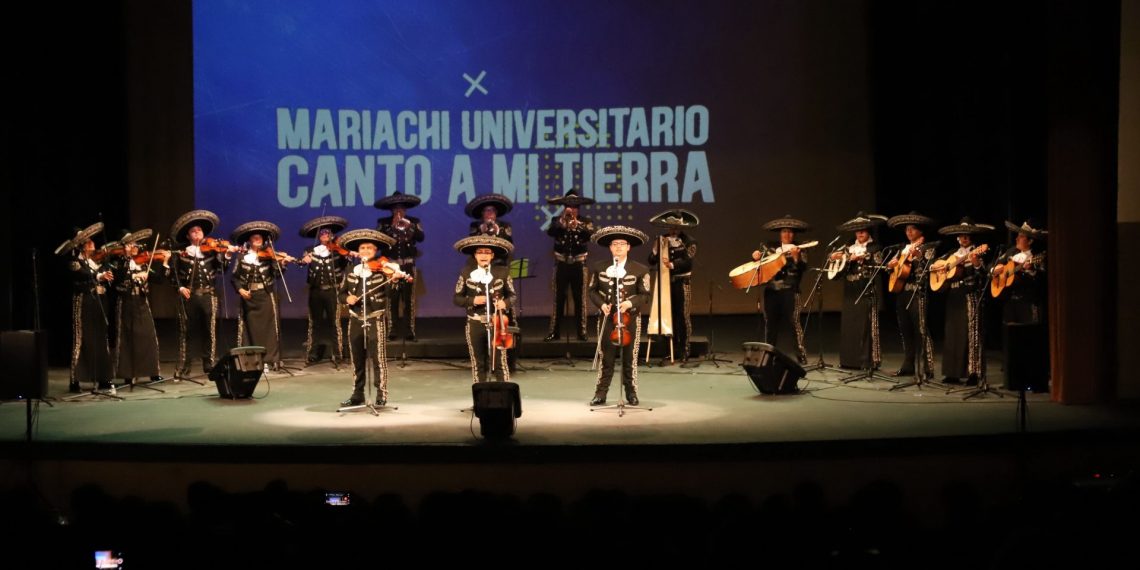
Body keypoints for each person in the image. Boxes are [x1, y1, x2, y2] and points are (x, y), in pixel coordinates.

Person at [337, 229, 403, 407]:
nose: (365, 251)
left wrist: (394, 280)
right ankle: (357, 394)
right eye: (362, 248)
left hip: (375, 319)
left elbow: (391, 294)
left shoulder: (383, 270)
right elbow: (341, 293)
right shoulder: (351, 270)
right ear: (358, 252)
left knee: (378, 359)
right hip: (355, 319)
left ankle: (381, 394)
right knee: (357, 359)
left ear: (376, 251)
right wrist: (347, 299)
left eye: (369, 248)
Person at [167, 210, 235, 378]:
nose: (197, 232)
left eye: (199, 230)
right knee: (187, 331)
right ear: (188, 236)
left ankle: (208, 362)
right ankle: (185, 364)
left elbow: (222, 269)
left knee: (209, 331)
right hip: (188, 297)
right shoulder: (181, 253)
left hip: (208, 295)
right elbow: (173, 275)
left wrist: (227, 254)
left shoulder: (211, 251)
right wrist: (180, 288)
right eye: (193, 231)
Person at [588, 226, 651, 406]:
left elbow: (645, 294)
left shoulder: (640, 269)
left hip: (630, 318)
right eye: (614, 244)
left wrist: (629, 303)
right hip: (608, 318)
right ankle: (601, 393)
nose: (618, 247)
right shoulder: (599, 267)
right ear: (610, 247)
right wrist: (602, 305)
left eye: (622, 244)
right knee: (606, 357)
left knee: (629, 357)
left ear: (628, 247)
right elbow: (592, 291)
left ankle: (631, 392)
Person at [933, 218, 994, 385]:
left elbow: (984, 275)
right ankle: (952, 373)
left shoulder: (977, 252)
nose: (964, 238)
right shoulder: (952, 253)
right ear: (957, 237)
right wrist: (937, 268)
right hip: (953, 295)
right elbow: (935, 265)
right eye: (961, 235)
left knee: (971, 334)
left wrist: (976, 265)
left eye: (967, 235)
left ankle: (974, 373)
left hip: (969, 295)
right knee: (952, 333)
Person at [56, 222, 114, 393]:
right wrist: (99, 276)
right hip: (84, 301)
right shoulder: (75, 261)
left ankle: (103, 377)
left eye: (91, 240)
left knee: (101, 338)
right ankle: (75, 380)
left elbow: (105, 273)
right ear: (81, 245)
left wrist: (107, 273)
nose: (92, 243)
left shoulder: (96, 261)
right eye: (88, 241)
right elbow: (82, 274)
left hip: (100, 300)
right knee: (82, 339)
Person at [230, 221, 294, 371]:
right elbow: (234, 278)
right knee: (250, 329)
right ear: (249, 240)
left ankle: (270, 360)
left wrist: (283, 264)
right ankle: (251, 360)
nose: (257, 239)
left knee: (269, 329)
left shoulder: (270, 255)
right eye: (254, 237)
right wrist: (240, 290)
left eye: (260, 237)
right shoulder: (241, 257)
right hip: (249, 297)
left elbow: (276, 275)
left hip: (266, 295)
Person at [453, 235, 516, 383]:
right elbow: (457, 298)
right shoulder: (466, 272)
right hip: (475, 323)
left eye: (487, 252)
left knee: (500, 363)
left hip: (497, 323)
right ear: (475, 255)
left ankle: (504, 393)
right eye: (480, 252)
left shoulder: (503, 272)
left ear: (492, 255)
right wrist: (472, 300)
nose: (483, 255)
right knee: (478, 363)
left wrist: (505, 303)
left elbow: (513, 296)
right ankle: (480, 393)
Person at [831, 213, 887, 370]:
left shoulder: (875, 246)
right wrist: (835, 256)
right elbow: (834, 257)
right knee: (850, 324)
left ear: (868, 231)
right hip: (850, 289)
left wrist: (860, 257)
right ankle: (848, 360)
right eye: (857, 230)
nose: (860, 233)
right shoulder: (849, 245)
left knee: (866, 326)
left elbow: (878, 264)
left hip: (865, 288)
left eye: (863, 230)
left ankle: (868, 361)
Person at [110, 229, 166, 386]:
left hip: (141, 301)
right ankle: (128, 374)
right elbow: (118, 278)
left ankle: (153, 372)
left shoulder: (142, 262)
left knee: (148, 336)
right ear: (123, 246)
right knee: (127, 337)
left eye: (134, 243)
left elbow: (159, 279)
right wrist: (133, 272)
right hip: (125, 302)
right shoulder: (117, 262)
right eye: (130, 244)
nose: (134, 246)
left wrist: (165, 263)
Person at [886, 212, 938, 379]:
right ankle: (908, 365)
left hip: (918, 292)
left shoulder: (927, 247)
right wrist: (891, 265)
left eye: (912, 229)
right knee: (905, 329)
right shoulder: (902, 249)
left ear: (920, 231)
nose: (908, 232)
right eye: (907, 229)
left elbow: (931, 266)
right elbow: (890, 268)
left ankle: (929, 368)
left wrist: (919, 257)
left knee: (922, 329)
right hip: (902, 292)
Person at [752, 215, 810, 363]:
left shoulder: (800, 248)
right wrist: (756, 258)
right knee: (770, 324)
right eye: (784, 231)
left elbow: (803, 268)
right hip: (772, 290)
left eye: (790, 231)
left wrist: (796, 258)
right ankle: (768, 354)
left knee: (794, 323)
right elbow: (761, 266)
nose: (787, 234)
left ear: (794, 234)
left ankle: (801, 355)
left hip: (791, 290)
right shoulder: (770, 247)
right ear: (780, 233)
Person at [646, 209, 699, 363]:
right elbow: (651, 261)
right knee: (669, 316)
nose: (673, 230)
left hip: (682, 282)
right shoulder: (662, 239)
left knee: (683, 316)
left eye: (675, 227)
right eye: (670, 227)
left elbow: (688, 261)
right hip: (666, 283)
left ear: (681, 227)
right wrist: (655, 250)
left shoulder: (689, 241)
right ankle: (671, 350)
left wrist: (673, 264)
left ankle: (685, 349)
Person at [298, 216, 352, 367]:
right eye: (321, 233)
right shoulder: (310, 250)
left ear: (332, 235)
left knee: (334, 323)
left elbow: (347, 262)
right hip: (315, 292)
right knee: (314, 323)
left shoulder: (337, 250)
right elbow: (301, 262)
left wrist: (345, 252)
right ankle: (312, 354)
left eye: (327, 233)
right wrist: (303, 260)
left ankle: (337, 354)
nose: (324, 235)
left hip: (332, 291)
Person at [544, 189, 596, 341]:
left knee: (580, 299)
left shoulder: (586, 221)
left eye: (574, 207)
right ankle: (554, 332)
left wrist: (577, 225)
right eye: (568, 207)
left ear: (578, 209)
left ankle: (582, 332)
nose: (571, 210)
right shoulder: (556, 220)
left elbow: (590, 235)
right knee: (558, 299)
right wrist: (562, 222)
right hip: (561, 264)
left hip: (579, 264)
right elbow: (551, 232)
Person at [375, 192, 424, 341]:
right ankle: (392, 330)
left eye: (401, 208)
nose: (399, 211)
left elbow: (421, 238)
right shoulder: (383, 222)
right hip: (390, 265)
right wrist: (391, 227)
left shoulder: (414, 221)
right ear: (391, 210)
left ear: (405, 210)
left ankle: (410, 331)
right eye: (396, 209)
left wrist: (410, 226)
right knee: (392, 299)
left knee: (408, 300)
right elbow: (378, 241)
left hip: (408, 264)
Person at [993, 219, 1048, 324]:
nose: (1017, 238)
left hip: (1028, 303)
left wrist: (1032, 271)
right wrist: (994, 270)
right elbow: (992, 265)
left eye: (1021, 236)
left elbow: (1042, 281)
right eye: (1018, 235)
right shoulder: (1011, 252)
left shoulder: (1036, 257)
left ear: (1030, 241)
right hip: (1009, 303)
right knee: (1009, 332)